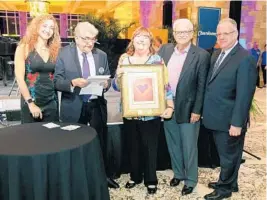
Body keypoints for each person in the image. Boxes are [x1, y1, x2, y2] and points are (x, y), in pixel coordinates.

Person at [53, 21, 119, 189]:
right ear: (76, 37)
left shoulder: (101, 55)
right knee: (73, 143)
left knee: (99, 142)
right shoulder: (63, 54)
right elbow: (57, 81)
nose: (90, 43)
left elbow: (108, 79)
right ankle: (74, 180)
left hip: (96, 105)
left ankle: (103, 177)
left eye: (93, 39)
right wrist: (73, 82)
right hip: (73, 106)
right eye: (86, 39)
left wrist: (106, 84)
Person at [112, 27, 174, 195]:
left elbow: (166, 86)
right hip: (130, 112)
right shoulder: (125, 59)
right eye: (138, 37)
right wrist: (119, 74)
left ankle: (151, 180)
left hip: (151, 113)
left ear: (150, 41)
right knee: (133, 147)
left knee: (150, 147)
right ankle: (135, 176)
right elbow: (116, 87)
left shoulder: (157, 60)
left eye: (145, 37)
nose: (141, 40)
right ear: (133, 40)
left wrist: (170, 106)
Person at [202, 18, 257, 200]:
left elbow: (244, 96)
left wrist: (237, 123)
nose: (222, 37)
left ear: (236, 34)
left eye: (226, 33)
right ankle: (230, 183)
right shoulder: (218, 54)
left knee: (228, 157)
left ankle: (224, 189)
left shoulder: (245, 58)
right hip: (217, 117)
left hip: (230, 120)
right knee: (228, 155)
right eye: (219, 34)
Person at [158, 19, 210, 196]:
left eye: (186, 32)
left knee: (189, 147)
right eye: (179, 32)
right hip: (167, 107)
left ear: (192, 33)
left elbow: (202, 86)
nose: (182, 35)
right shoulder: (164, 50)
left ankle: (191, 180)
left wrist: (197, 110)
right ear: (173, 33)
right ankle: (178, 173)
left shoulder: (201, 55)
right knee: (173, 143)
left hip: (189, 109)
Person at [14, 14, 61, 123]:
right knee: (31, 138)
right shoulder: (23, 48)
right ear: (36, 26)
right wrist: (30, 103)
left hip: (51, 102)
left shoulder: (55, 51)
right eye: (44, 26)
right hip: (31, 101)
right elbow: (20, 79)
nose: (47, 30)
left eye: (51, 28)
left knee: (52, 138)